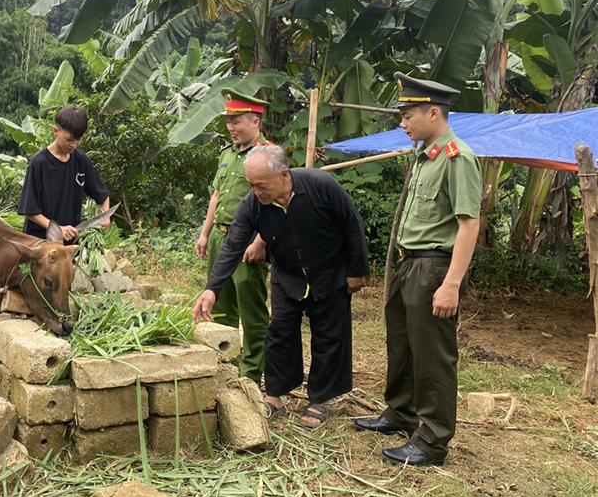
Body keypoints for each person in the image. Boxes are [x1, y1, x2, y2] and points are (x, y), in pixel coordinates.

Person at [354, 72, 481, 466]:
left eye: (408, 115)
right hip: (409, 264)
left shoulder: (457, 158)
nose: (402, 123)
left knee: (432, 353)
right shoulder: (425, 157)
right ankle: (401, 412)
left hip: (433, 268)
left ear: (433, 112)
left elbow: (469, 224)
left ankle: (432, 439)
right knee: (402, 343)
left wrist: (451, 284)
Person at [193, 145, 369, 427]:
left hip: (329, 271)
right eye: (251, 185)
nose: (256, 191)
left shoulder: (321, 186)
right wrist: (212, 288)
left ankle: (319, 399)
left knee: (328, 335)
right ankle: (275, 394)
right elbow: (233, 246)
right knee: (280, 332)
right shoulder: (253, 204)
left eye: (260, 185)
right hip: (287, 274)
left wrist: (356, 272)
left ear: (284, 175)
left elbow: (351, 226)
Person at [194, 91, 271, 384]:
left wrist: (260, 241)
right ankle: (226, 363)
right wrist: (204, 234)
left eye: (236, 121)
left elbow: (274, 203)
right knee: (220, 304)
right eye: (228, 121)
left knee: (250, 310)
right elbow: (216, 195)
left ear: (255, 120)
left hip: (247, 240)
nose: (231, 127)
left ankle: (251, 373)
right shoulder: (227, 153)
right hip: (219, 237)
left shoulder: (267, 155)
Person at [18, 105, 110, 242]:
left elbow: (102, 195)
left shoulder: (81, 160)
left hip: (68, 243)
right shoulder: (38, 163)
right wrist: (58, 228)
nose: (74, 144)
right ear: (56, 131)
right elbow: (30, 211)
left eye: (78, 139)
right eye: (69, 139)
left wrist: (105, 215)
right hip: (41, 244)